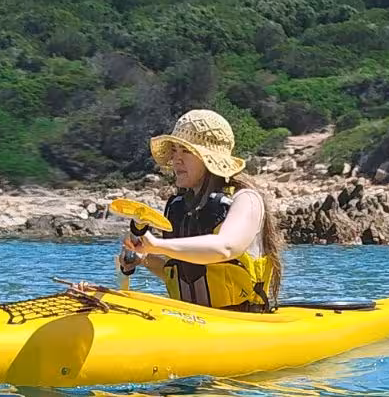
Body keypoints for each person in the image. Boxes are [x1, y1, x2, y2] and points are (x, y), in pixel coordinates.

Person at [118, 110, 284, 311]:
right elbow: (186, 273)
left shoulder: (246, 199)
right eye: (175, 150)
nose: (176, 159)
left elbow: (225, 248)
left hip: (242, 321)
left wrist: (156, 245)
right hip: (194, 319)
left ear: (209, 159)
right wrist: (144, 258)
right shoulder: (180, 207)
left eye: (186, 151)